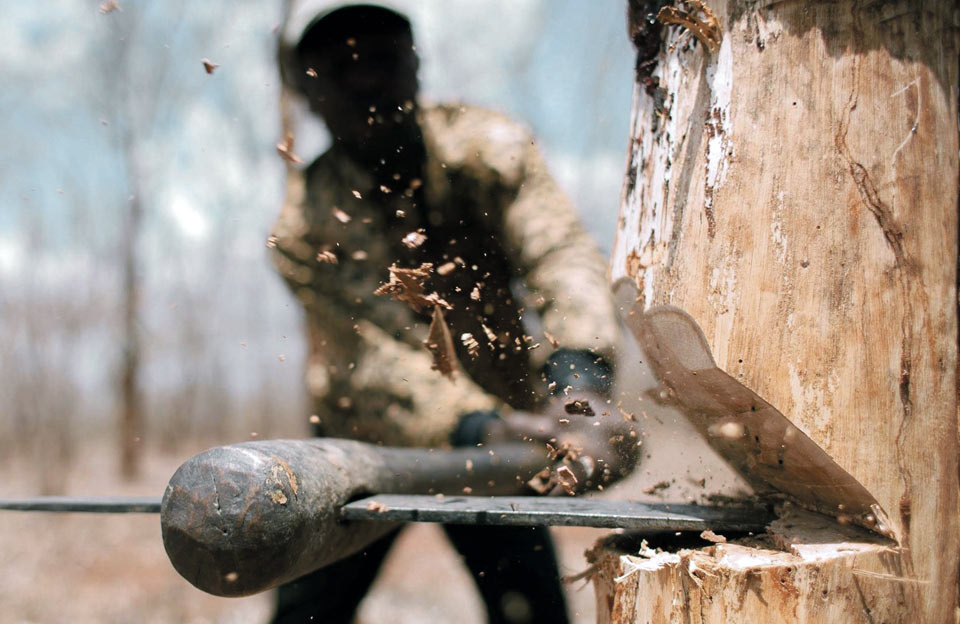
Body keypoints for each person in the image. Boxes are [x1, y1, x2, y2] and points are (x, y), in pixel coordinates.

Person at [269, 5, 632, 623]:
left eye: (381, 58)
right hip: (364, 446)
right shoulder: (303, 228)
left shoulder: (488, 150)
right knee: (307, 615)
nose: (364, 82)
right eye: (340, 66)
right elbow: (376, 356)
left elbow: (559, 256)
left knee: (531, 611)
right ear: (308, 88)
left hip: (510, 437)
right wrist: (480, 427)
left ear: (414, 65)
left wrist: (581, 385)